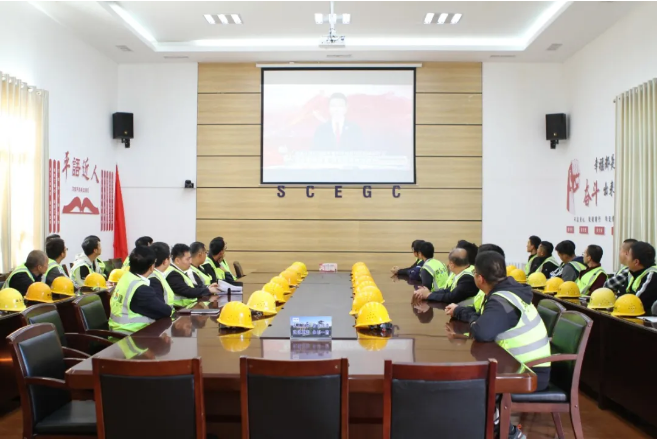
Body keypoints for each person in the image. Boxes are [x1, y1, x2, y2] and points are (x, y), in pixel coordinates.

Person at [109, 246, 173, 335]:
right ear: (151, 267)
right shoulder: (141, 290)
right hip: (131, 336)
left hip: (119, 331)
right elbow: (165, 311)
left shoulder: (126, 277)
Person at [448, 243, 506, 321]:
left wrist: (458, 311)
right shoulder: (489, 287)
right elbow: (478, 311)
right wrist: (458, 310)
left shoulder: (501, 299)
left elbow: (483, 321)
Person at [413, 248, 477, 304]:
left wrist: (428, 295)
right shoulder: (466, 270)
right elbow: (449, 290)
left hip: (468, 311)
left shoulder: (467, 278)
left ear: (452, 264)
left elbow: (451, 297)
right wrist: (429, 293)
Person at [167, 243, 219, 308]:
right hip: (179, 310)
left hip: (188, 307)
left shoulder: (179, 271)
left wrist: (208, 287)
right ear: (177, 260)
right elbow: (187, 291)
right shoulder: (172, 274)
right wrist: (208, 290)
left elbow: (193, 287)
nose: (190, 261)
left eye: (190, 258)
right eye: (187, 259)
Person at [625, 241, 656, 312]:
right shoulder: (632, 273)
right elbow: (622, 293)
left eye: (628, 255)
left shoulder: (652, 275)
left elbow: (636, 301)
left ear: (636, 262)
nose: (626, 258)